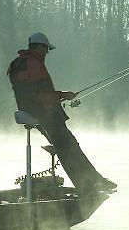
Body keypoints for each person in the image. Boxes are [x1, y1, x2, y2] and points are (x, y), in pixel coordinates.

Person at [7, 32, 116, 193]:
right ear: (40, 47)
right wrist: (63, 95)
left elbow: (32, 93)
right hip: (44, 113)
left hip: (30, 111)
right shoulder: (34, 64)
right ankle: (90, 184)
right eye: (46, 49)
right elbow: (40, 94)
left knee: (66, 145)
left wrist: (59, 97)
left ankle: (92, 181)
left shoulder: (17, 63)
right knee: (68, 147)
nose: (47, 53)